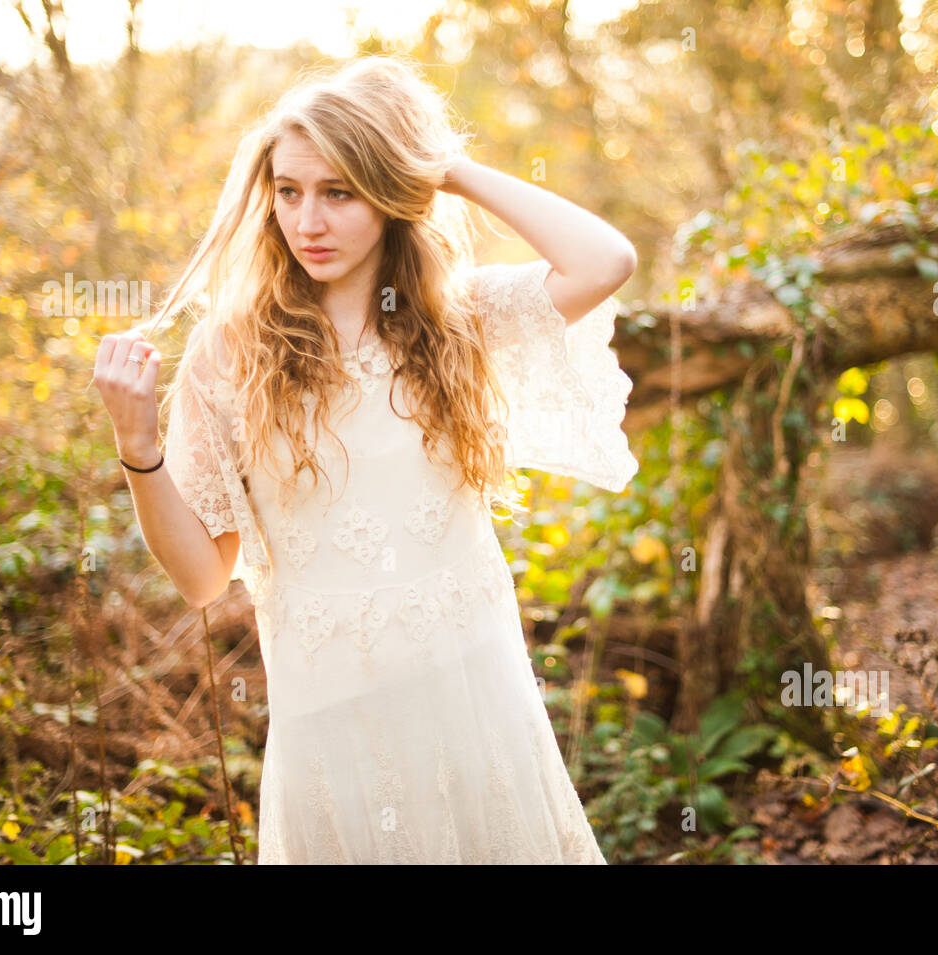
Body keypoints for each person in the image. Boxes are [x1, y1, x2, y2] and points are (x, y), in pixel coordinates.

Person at [92, 53, 638, 864]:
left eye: (339, 191)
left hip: (472, 696)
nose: (307, 220)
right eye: (288, 191)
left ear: (389, 193)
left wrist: (445, 167)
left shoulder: (465, 320)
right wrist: (139, 447)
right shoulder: (230, 351)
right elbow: (205, 578)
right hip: (331, 723)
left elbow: (605, 261)